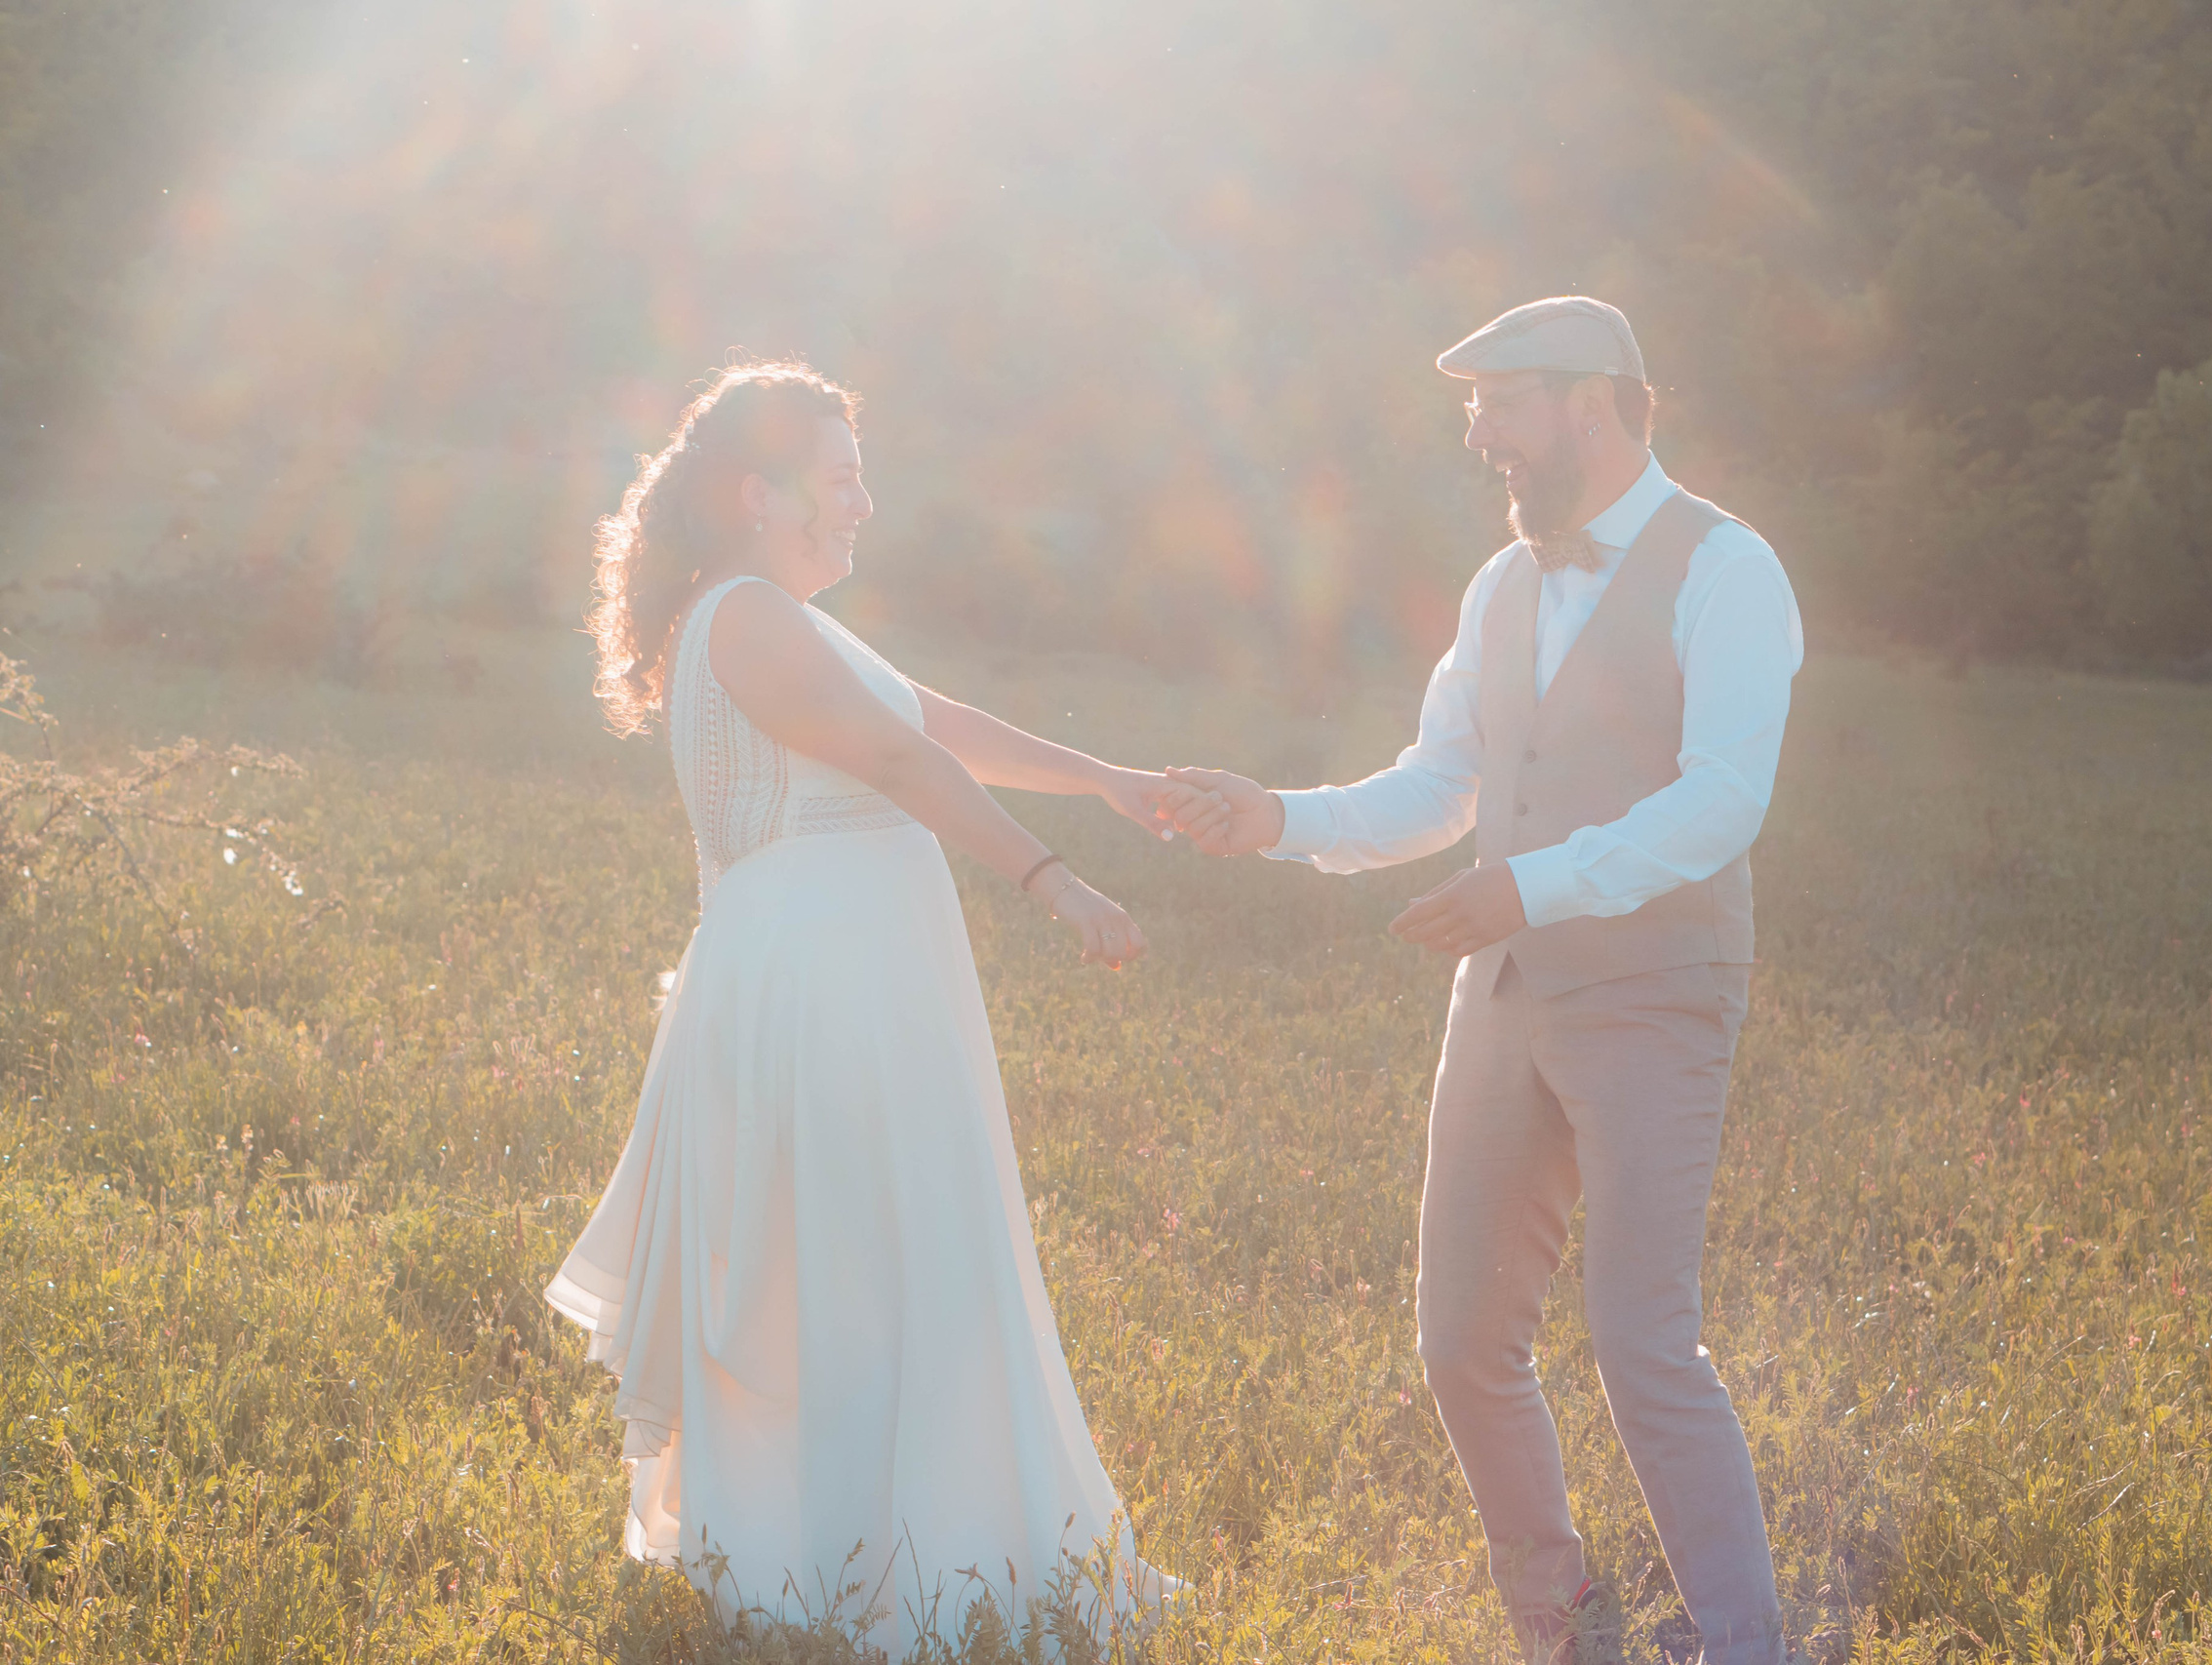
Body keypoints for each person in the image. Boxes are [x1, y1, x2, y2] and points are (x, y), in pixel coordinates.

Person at [1165, 297, 1802, 1664]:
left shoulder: (1728, 567)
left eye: (1501, 406)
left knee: (1642, 1342)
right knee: (1460, 1339)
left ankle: (1747, 1646)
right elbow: (1440, 782)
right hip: (1506, 994)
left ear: (1592, 402)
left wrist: (1529, 884)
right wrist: (1277, 816)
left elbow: (1724, 800)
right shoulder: (1501, 585)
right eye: (1473, 410)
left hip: (1656, 989)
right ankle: (1567, 1632)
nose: (1478, 437)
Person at [546, 361, 1185, 1648]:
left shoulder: (783, 618)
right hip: (819, 982)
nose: (864, 503)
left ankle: (905, 1552)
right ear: (756, 493)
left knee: (889, 1258)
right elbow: (899, 757)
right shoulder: (745, 615)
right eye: (839, 479)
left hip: (855, 973)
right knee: (848, 1268)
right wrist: (1055, 883)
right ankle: (848, 1568)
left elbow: (934, 720)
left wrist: (1109, 780)